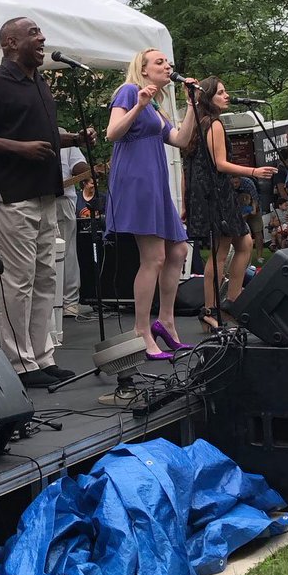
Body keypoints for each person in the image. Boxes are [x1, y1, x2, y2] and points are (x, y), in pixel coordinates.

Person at [0, 17, 93, 387]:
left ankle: (43, 356)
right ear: (10, 43)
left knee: (46, 277)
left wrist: (74, 138)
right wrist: (20, 149)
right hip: (10, 195)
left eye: (41, 32)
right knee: (18, 282)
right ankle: (20, 363)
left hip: (45, 192)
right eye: (33, 33)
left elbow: (43, 136)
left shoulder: (40, 83)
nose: (42, 37)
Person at [104, 49, 196, 359]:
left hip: (156, 183)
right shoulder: (129, 91)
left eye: (168, 62)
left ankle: (166, 322)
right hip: (136, 181)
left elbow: (181, 140)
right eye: (159, 62)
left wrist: (191, 103)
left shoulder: (157, 105)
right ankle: (141, 330)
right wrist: (138, 105)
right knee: (153, 257)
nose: (167, 65)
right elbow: (112, 133)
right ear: (142, 70)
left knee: (179, 250)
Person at [182, 77, 277, 328]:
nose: (227, 96)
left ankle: (232, 300)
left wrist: (186, 203)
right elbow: (220, 164)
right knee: (220, 253)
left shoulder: (197, 125)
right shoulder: (213, 124)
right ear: (208, 97)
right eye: (221, 92)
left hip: (209, 194)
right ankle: (210, 309)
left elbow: (187, 168)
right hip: (217, 195)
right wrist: (254, 172)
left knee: (244, 242)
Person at [57, 144, 91, 318]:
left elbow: (78, 166)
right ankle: (69, 303)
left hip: (35, 201)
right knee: (66, 250)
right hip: (61, 200)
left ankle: (51, 304)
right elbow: (77, 165)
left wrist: (87, 172)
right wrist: (89, 170)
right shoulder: (63, 134)